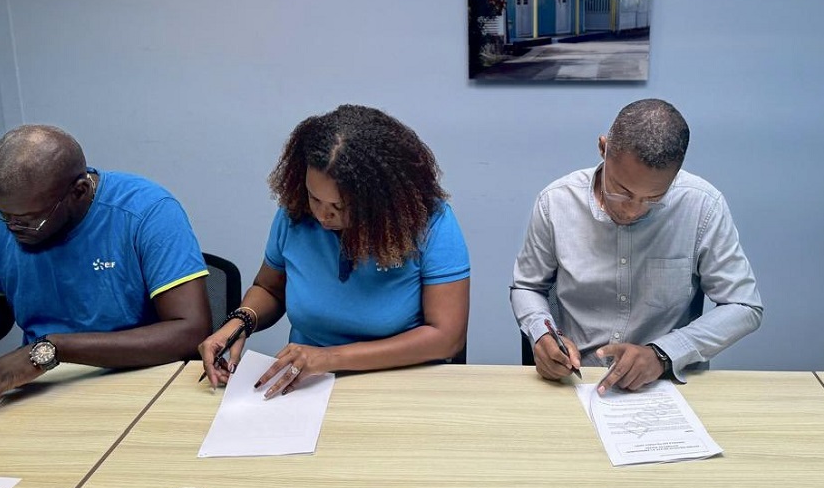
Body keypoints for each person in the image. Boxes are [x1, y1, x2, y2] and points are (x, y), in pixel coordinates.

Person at [0, 125, 211, 419]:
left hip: (141, 380)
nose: (11, 226)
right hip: (43, 385)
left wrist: (52, 349)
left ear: (78, 191)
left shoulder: (147, 211)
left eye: (28, 219)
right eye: (0, 212)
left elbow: (189, 331)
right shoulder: (4, 218)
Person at [198, 105, 469, 395]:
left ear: (382, 201)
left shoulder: (428, 222)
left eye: (339, 206)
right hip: (306, 386)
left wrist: (330, 358)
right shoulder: (295, 214)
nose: (322, 215)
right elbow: (270, 289)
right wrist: (241, 320)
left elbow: (446, 337)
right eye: (314, 198)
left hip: (401, 385)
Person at [510, 98, 763, 393]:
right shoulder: (556, 202)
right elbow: (527, 287)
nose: (632, 210)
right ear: (603, 148)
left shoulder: (702, 206)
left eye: (653, 198)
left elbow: (743, 305)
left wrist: (663, 353)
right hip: (578, 380)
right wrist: (541, 334)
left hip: (665, 383)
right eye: (621, 191)